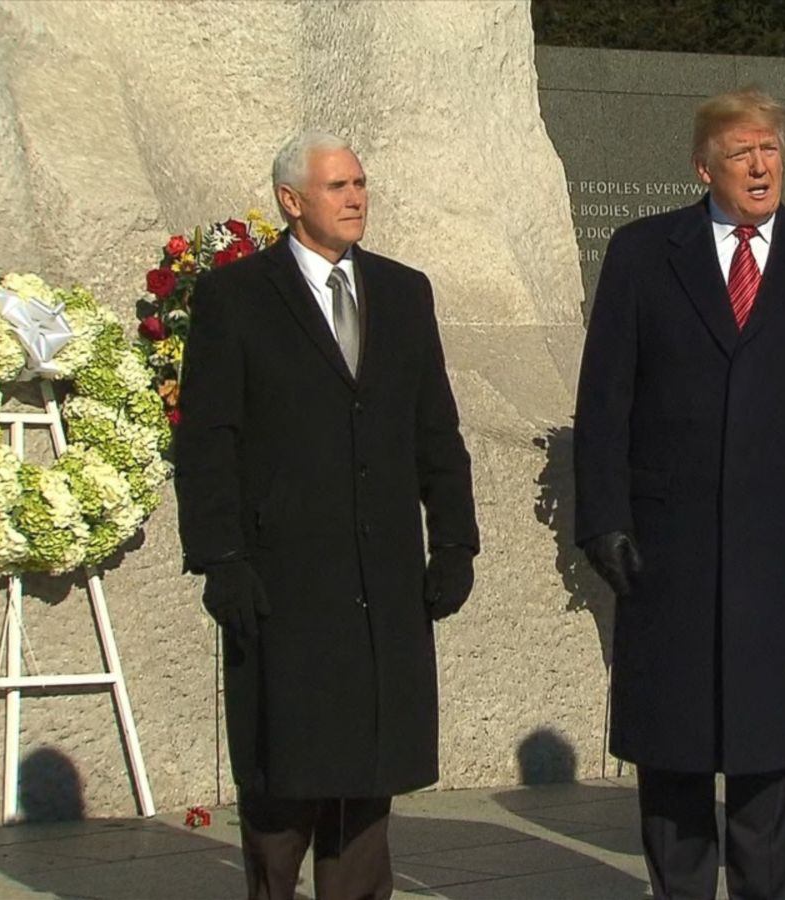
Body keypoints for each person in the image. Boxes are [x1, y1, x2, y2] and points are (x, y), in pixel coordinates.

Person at [573, 86, 785, 900]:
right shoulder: (646, 252)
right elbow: (605, 399)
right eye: (742, 152)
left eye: (771, 150)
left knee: (768, 750)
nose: (760, 165)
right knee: (674, 748)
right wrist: (602, 520)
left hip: (778, 548)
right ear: (703, 165)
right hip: (667, 549)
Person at [174, 129, 479, 899]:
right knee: (286, 775)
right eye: (338, 187)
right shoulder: (236, 297)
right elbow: (209, 442)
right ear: (291, 200)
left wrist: (454, 542)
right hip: (285, 581)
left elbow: (434, 428)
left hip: (382, 580)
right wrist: (221, 560)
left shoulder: (404, 291)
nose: (356, 198)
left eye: (360, 183)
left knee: (366, 775)